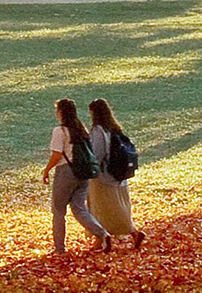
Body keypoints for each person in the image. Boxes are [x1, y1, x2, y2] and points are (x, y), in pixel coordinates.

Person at [41, 98, 112, 254]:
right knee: (79, 208)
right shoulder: (82, 129)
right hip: (83, 173)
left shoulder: (60, 131)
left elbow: (56, 154)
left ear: (60, 112)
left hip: (66, 172)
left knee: (58, 210)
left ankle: (59, 248)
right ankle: (102, 233)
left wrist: (46, 170)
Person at [87, 99, 147, 249]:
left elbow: (97, 154)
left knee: (101, 208)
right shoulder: (115, 129)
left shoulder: (99, 130)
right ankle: (133, 233)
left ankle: (101, 239)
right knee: (119, 207)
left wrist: (91, 170)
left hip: (103, 176)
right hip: (119, 176)